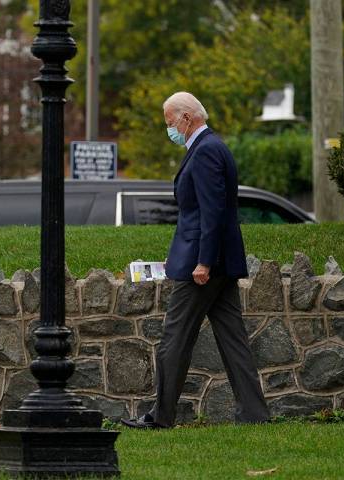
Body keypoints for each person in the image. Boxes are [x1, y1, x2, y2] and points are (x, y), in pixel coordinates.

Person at [121, 92, 269, 428]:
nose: (169, 128)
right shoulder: (213, 147)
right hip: (218, 262)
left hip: (205, 267)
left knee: (173, 340)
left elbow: (210, 212)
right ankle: (255, 415)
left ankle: (161, 417)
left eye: (170, 121)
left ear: (187, 118)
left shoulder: (205, 152)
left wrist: (202, 261)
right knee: (234, 342)